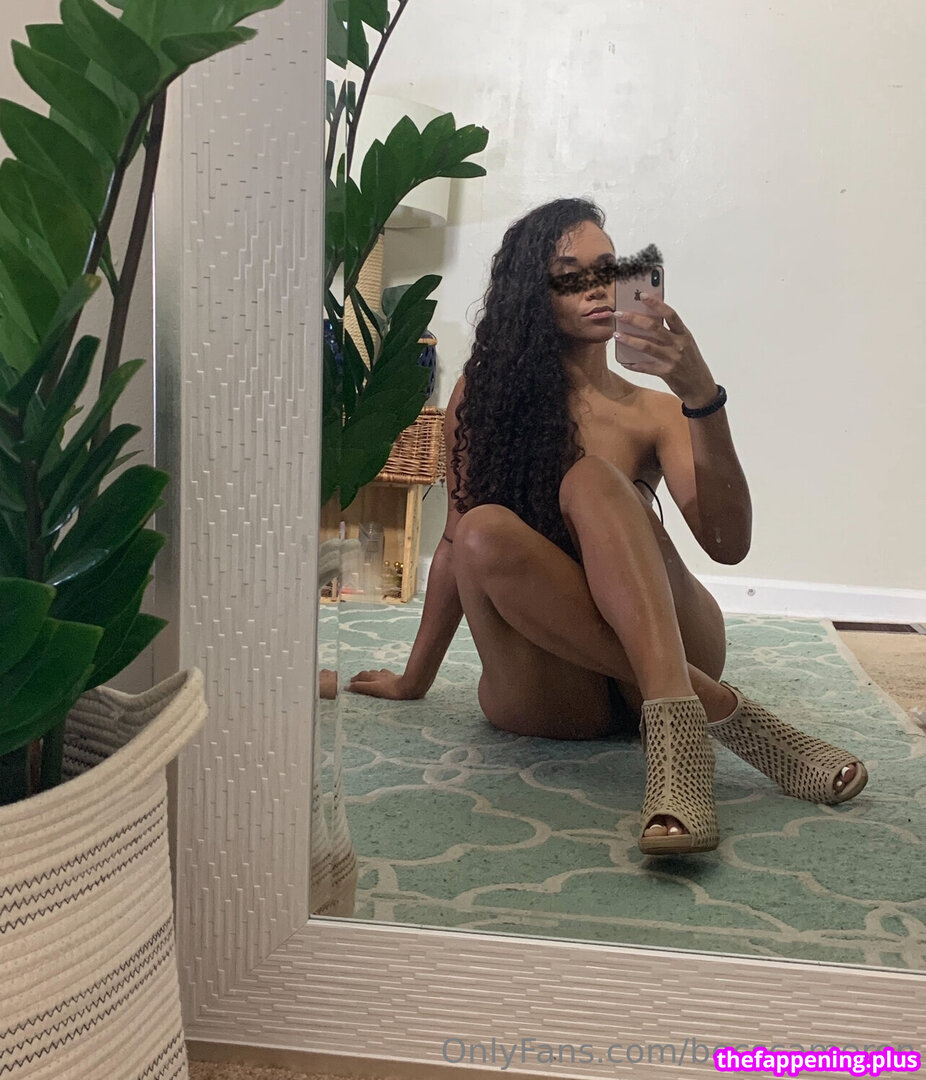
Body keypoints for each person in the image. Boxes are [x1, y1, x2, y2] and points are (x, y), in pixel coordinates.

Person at [346, 197, 867, 855]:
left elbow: (729, 546)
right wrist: (412, 680)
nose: (597, 288)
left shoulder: (654, 410)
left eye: (607, 270)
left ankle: (675, 736)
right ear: (531, 296)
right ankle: (721, 711)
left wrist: (701, 396)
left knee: (591, 479)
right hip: (557, 694)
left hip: (678, 643)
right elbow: (454, 545)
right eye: (570, 276)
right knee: (481, 529)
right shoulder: (484, 398)